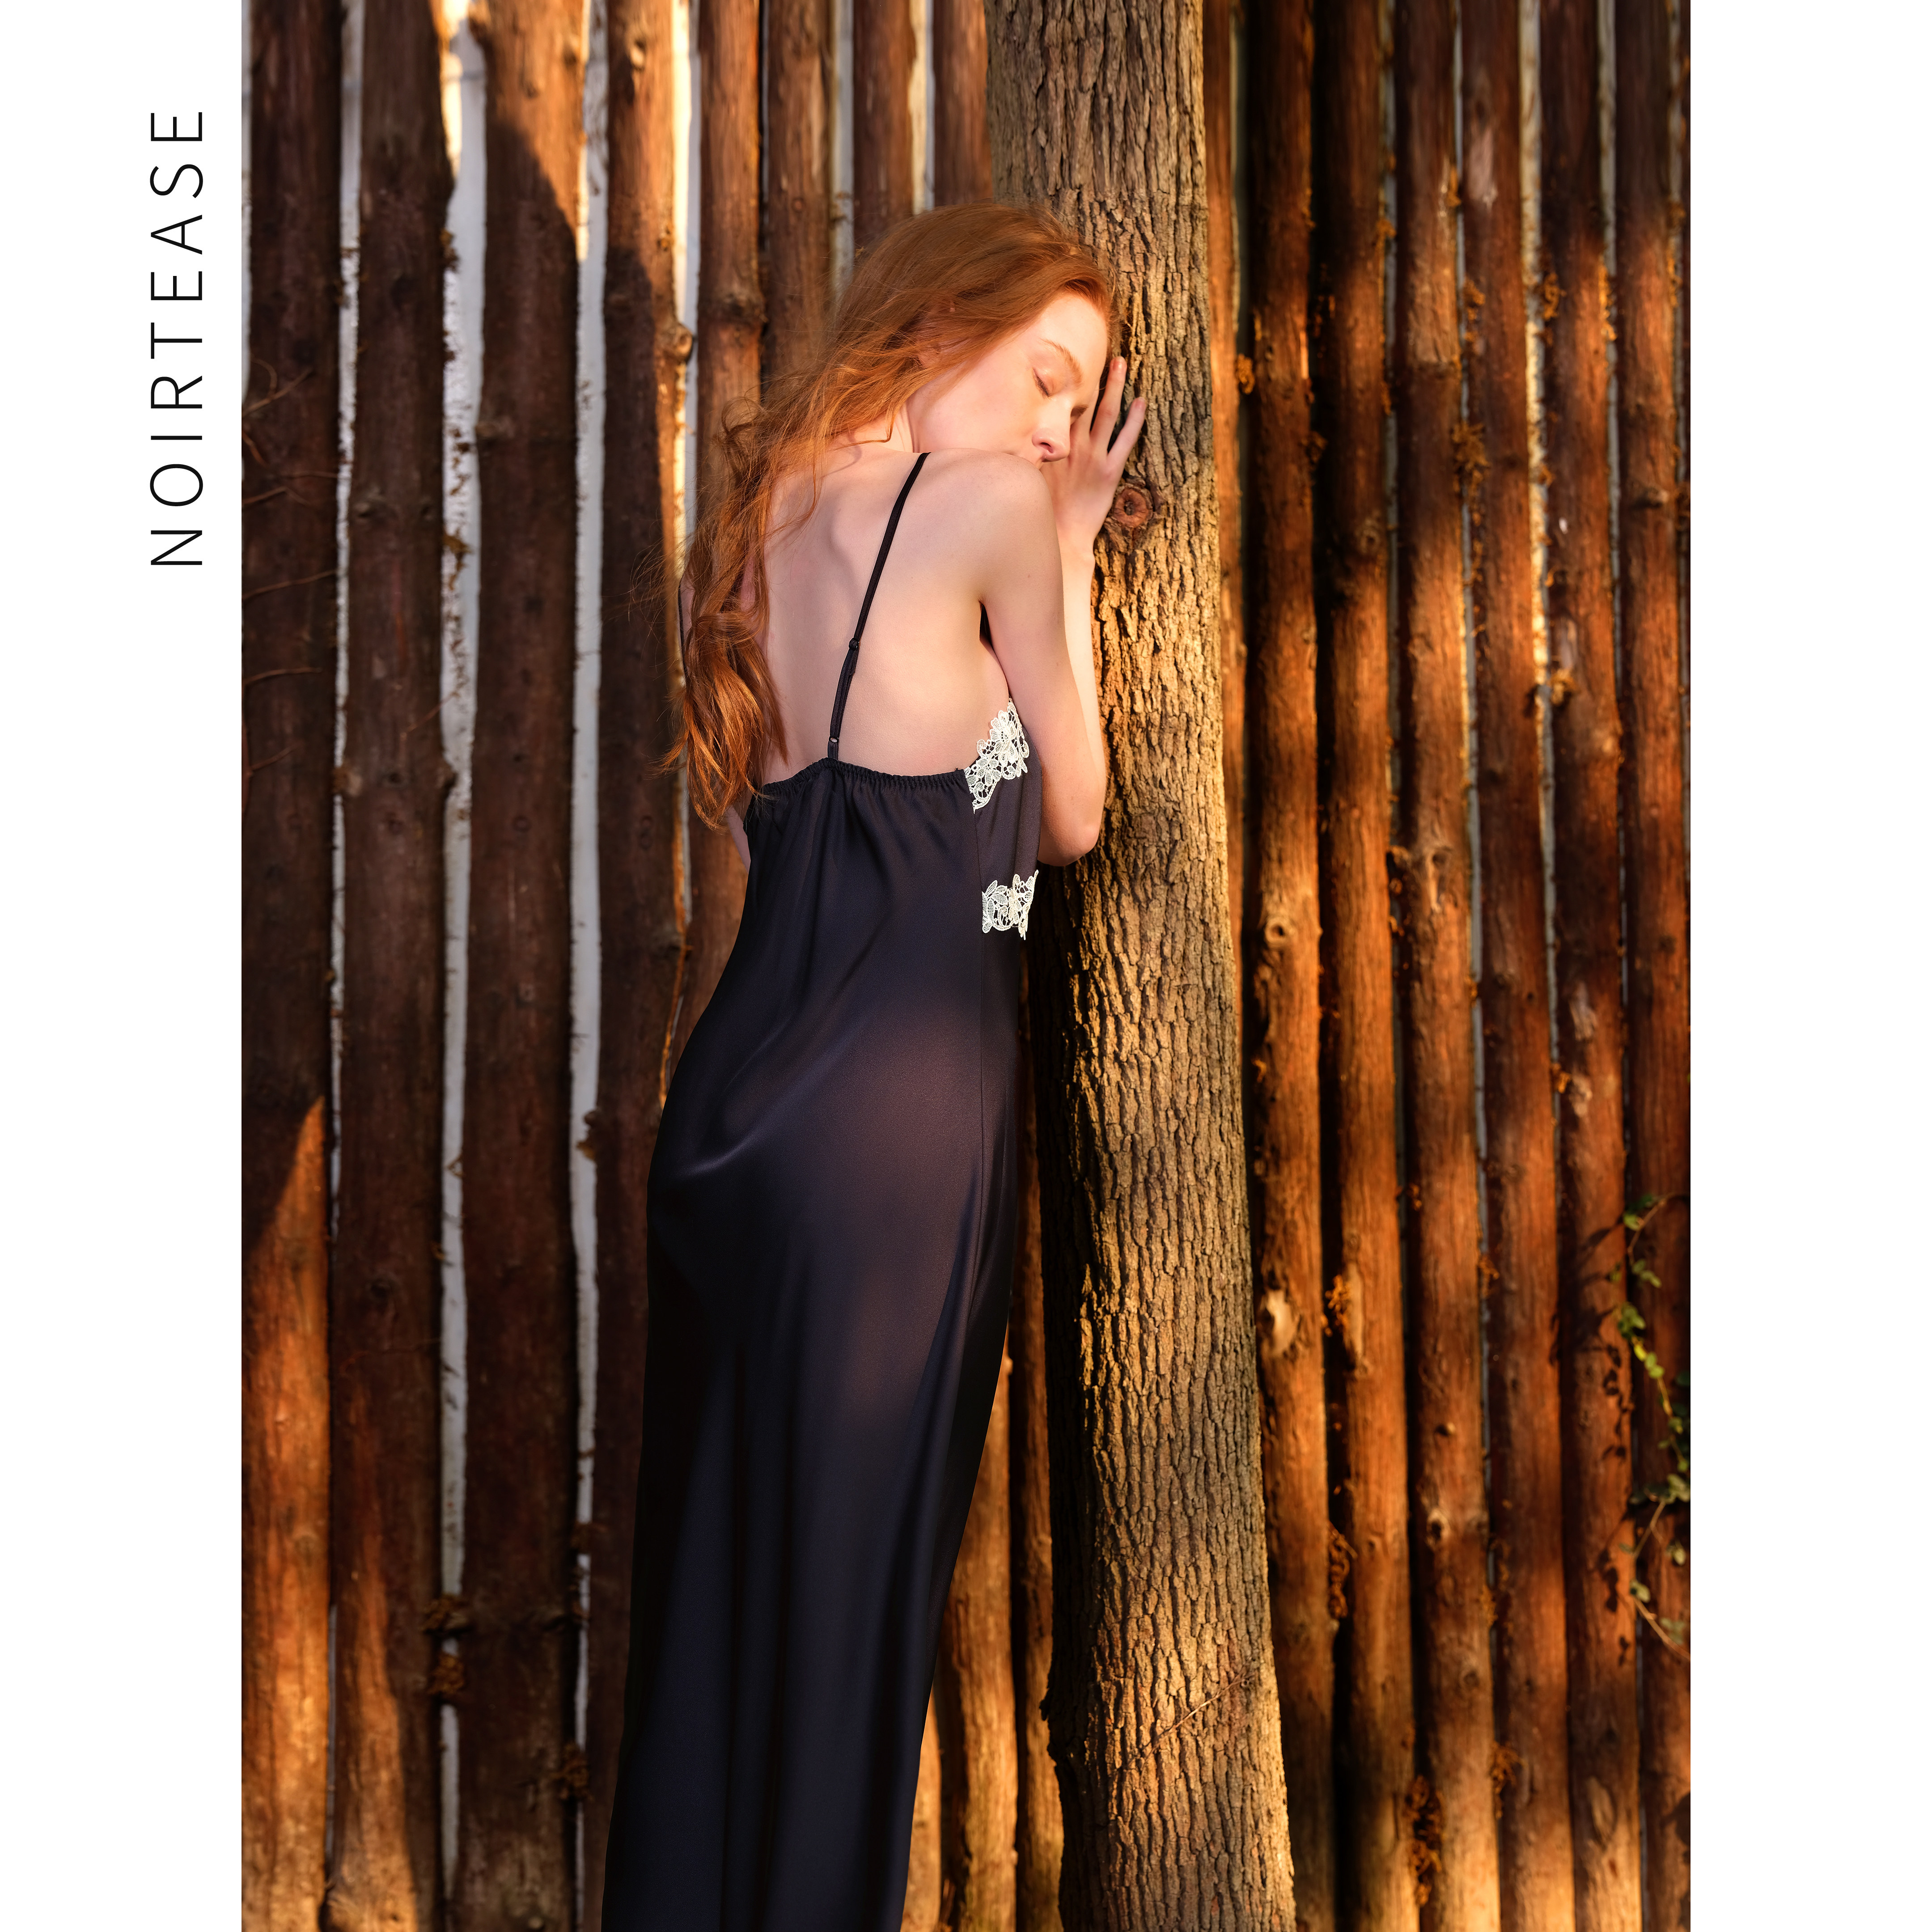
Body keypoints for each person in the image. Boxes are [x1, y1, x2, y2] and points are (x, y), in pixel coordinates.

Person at [599, 202, 1146, 1930]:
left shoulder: (763, 513)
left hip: (734, 1117)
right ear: (934, 329)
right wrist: (1067, 555)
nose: (1062, 429)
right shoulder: (995, 511)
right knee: (846, 1618)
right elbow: (1066, 817)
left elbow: (814, 802)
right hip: (903, 1140)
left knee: (713, 1596)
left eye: (1084, 405)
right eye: (1045, 377)